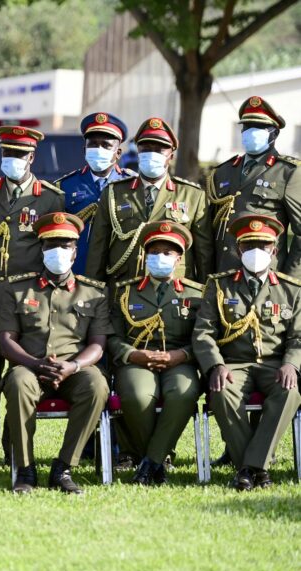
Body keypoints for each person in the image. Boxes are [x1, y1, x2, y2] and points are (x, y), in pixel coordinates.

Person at [0, 125, 64, 468]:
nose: (13, 160)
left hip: (28, 305)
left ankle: (15, 447)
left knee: (21, 377)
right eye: (7, 153)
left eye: (20, 154)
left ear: (32, 157)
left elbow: (55, 248)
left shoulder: (51, 197)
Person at [0, 212, 113, 494]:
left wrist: (72, 367)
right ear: (41, 250)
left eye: (65, 245)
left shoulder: (94, 293)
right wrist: (35, 364)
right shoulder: (15, 288)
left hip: (75, 370)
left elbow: (98, 344)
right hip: (30, 367)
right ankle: (25, 470)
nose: (57, 251)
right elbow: (5, 340)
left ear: (75, 252)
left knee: (97, 385)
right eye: (51, 245)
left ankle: (63, 467)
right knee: (17, 382)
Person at [193, 214, 301, 490]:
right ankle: (258, 469)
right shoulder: (219, 285)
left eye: (263, 245)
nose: (256, 251)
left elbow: (298, 336)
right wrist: (215, 365)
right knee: (220, 391)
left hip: (274, 364)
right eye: (249, 245)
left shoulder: (291, 290)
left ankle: (248, 469)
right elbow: (203, 332)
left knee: (289, 392)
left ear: (274, 250)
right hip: (233, 364)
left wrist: (292, 364)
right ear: (239, 249)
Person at [108, 222, 204, 484]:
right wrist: (133, 355)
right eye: (155, 251)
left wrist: (180, 356)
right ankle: (158, 460)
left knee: (183, 393)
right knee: (138, 395)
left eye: (168, 252)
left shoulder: (196, 293)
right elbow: (113, 337)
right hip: (137, 360)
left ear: (179, 258)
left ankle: (150, 462)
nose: (160, 257)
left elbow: (205, 338)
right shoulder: (124, 292)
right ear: (145, 255)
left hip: (179, 359)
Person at [85, 117, 213, 284]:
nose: (152, 153)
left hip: (175, 291)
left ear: (171, 156)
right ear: (138, 151)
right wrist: (93, 292)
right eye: (146, 148)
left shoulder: (193, 195)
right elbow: (97, 247)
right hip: (124, 286)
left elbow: (204, 253)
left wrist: (205, 295)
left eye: (159, 150)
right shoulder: (114, 192)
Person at [207, 96, 301, 277]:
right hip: (224, 274)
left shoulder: (287, 172)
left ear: (274, 133)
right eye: (247, 127)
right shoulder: (223, 171)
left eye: (258, 128)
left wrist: (290, 282)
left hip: (265, 275)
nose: (250, 132)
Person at [56, 112, 135, 275]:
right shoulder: (66, 185)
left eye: (106, 145)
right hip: (79, 271)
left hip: (118, 273)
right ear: (85, 149)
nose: (98, 150)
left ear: (118, 153)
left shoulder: (133, 185)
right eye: (93, 144)